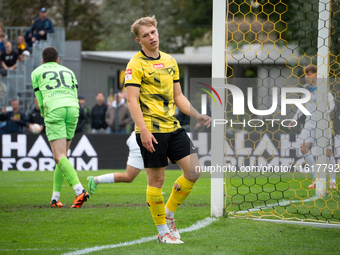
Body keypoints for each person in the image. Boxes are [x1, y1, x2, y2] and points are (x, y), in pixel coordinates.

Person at [125, 16, 211, 244]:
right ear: (138, 40)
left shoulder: (171, 61)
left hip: (173, 127)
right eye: (146, 35)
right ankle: (163, 232)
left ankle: (169, 215)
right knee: (157, 181)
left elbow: (178, 96)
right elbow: (132, 101)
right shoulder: (135, 64)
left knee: (194, 172)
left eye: (153, 32)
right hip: (151, 130)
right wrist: (143, 131)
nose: (152, 37)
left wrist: (198, 115)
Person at [31, 46, 89, 208]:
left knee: (58, 156)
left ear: (43, 61)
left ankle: (79, 190)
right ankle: (55, 198)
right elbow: (74, 93)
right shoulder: (69, 71)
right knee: (62, 156)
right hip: (73, 109)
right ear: (58, 60)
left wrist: (45, 115)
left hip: (55, 109)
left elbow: (40, 99)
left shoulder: (37, 71)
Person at [288, 65, 336, 189]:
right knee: (303, 149)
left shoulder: (322, 88)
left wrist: (328, 110)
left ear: (316, 75)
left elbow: (332, 102)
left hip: (323, 123)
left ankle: (333, 181)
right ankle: (317, 178)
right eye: (306, 74)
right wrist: (294, 120)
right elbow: (301, 106)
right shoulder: (306, 90)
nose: (307, 76)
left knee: (327, 153)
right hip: (309, 123)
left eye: (310, 74)